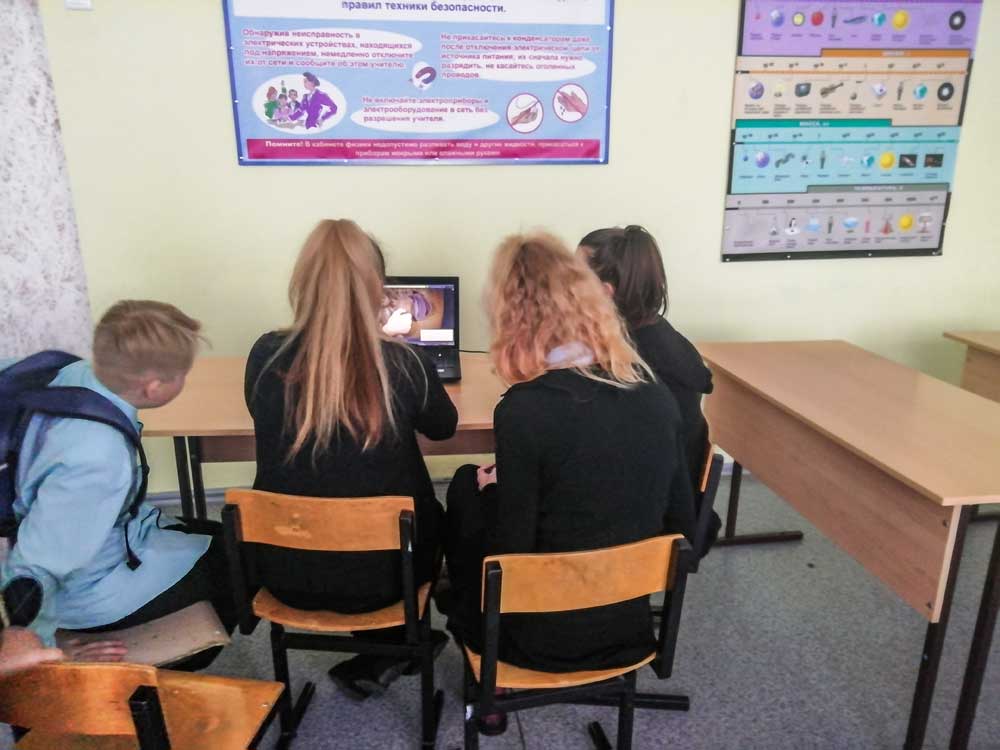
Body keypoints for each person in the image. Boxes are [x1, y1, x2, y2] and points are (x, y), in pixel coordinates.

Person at [443, 232, 696, 731]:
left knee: (465, 488)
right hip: (627, 629)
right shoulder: (655, 395)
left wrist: (492, 491)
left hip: (539, 641)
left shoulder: (524, 410)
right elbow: (681, 524)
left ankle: (492, 678)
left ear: (511, 317)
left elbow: (512, 552)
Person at [245, 219, 457, 699]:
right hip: (391, 579)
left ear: (302, 281)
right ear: (377, 287)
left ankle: (394, 648)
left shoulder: (264, 355)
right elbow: (443, 428)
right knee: (438, 509)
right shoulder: (405, 363)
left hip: (284, 572)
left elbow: (262, 417)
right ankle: (402, 642)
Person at [0, 301, 236, 671]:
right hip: (92, 599)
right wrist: (50, 651)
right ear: (153, 387)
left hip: (104, 543)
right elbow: (35, 567)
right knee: (240, 563)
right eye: (181, 375)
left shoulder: (69, 373)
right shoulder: (96, 457)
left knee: (220, 535)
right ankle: (147, 679)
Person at [577, 226, 716, 498]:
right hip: (665, 493)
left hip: (648, 504)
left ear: (605, 291)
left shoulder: (634, 361)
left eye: (574, 275)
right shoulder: (654, 331)